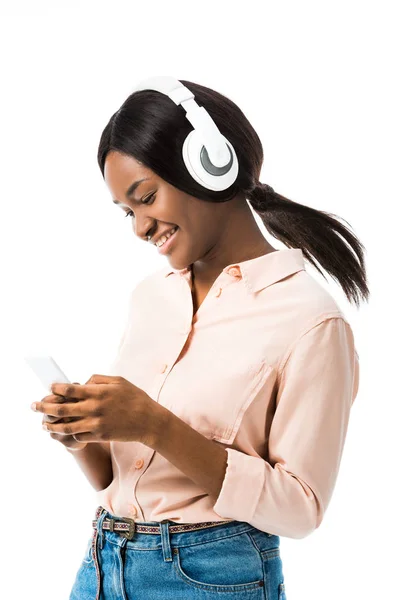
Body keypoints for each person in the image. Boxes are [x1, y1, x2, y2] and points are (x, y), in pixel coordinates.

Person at [34, 77, 369, 599]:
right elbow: (122, 478)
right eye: (128, 211)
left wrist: (154, 424)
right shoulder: (151, 298)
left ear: (209, 164)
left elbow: (302, 509)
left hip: (211, 577)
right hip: (103, 564)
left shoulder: (310, 321)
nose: (139, 228)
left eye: (146, 198)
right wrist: (85, 435)